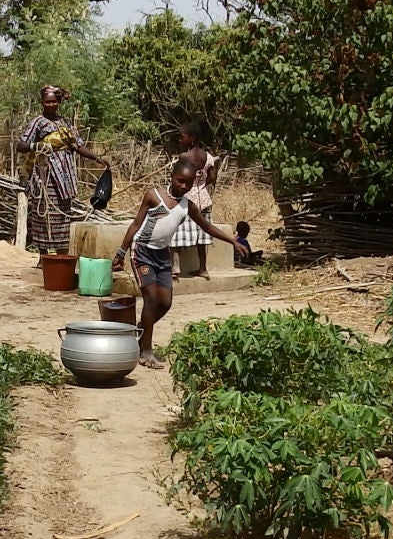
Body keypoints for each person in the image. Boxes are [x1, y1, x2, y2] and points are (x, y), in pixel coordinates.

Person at [113, 159, 242, 368]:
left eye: (188, 184)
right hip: (142, 252)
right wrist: (120, 252)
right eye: (180, 181)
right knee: (152, 299)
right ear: (172, 177)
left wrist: (232, 241)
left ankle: (142, 330)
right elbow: (136, 224)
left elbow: (207, 227)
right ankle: (146, 351)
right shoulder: (153, 196)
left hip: (163, 256)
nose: (183, 186)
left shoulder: (187, 206)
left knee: (165, 303)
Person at [17, 85, 109, 254]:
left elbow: (77, 146)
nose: (51, 105)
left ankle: (61, 255)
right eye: (47, 102)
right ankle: (43, 257)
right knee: (43, 214)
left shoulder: (65, 124)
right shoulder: (37, 122)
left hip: (64, 179)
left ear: (58, 102)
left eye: (53, 101)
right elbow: (21, 145)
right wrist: (36, 145)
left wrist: (96, 158)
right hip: (45, 177)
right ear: (42, 102)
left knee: (62, 216)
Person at [164, 122, 222, 268]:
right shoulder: (208, 157)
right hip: (204, 200)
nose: (180, 140)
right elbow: (212, 178)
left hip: (186, 199)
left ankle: (176, 267)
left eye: (182, 137)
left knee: (176, 230)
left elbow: (178, 177)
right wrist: (200, 183)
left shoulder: (184, 157)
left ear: (192, 138)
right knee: (202, 233)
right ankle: (202, 268)